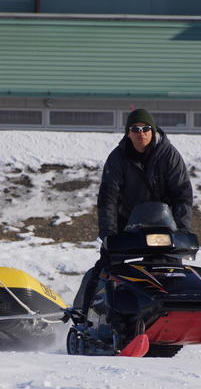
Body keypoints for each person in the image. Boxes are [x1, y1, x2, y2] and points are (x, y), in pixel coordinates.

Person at [81, 108, 193, 312]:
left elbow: (182, 195)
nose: (141, 133)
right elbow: (108, 199)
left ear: (153, 131)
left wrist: (182, 230)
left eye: (145, 128)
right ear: (128, 133)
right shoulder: (117, 158)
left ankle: (172, 315)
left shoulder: (169, 155)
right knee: (105, 269)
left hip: (164, 226)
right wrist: (108, 234)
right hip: (128, 225)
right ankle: (84, 315)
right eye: (135, 129)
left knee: (171, 272)